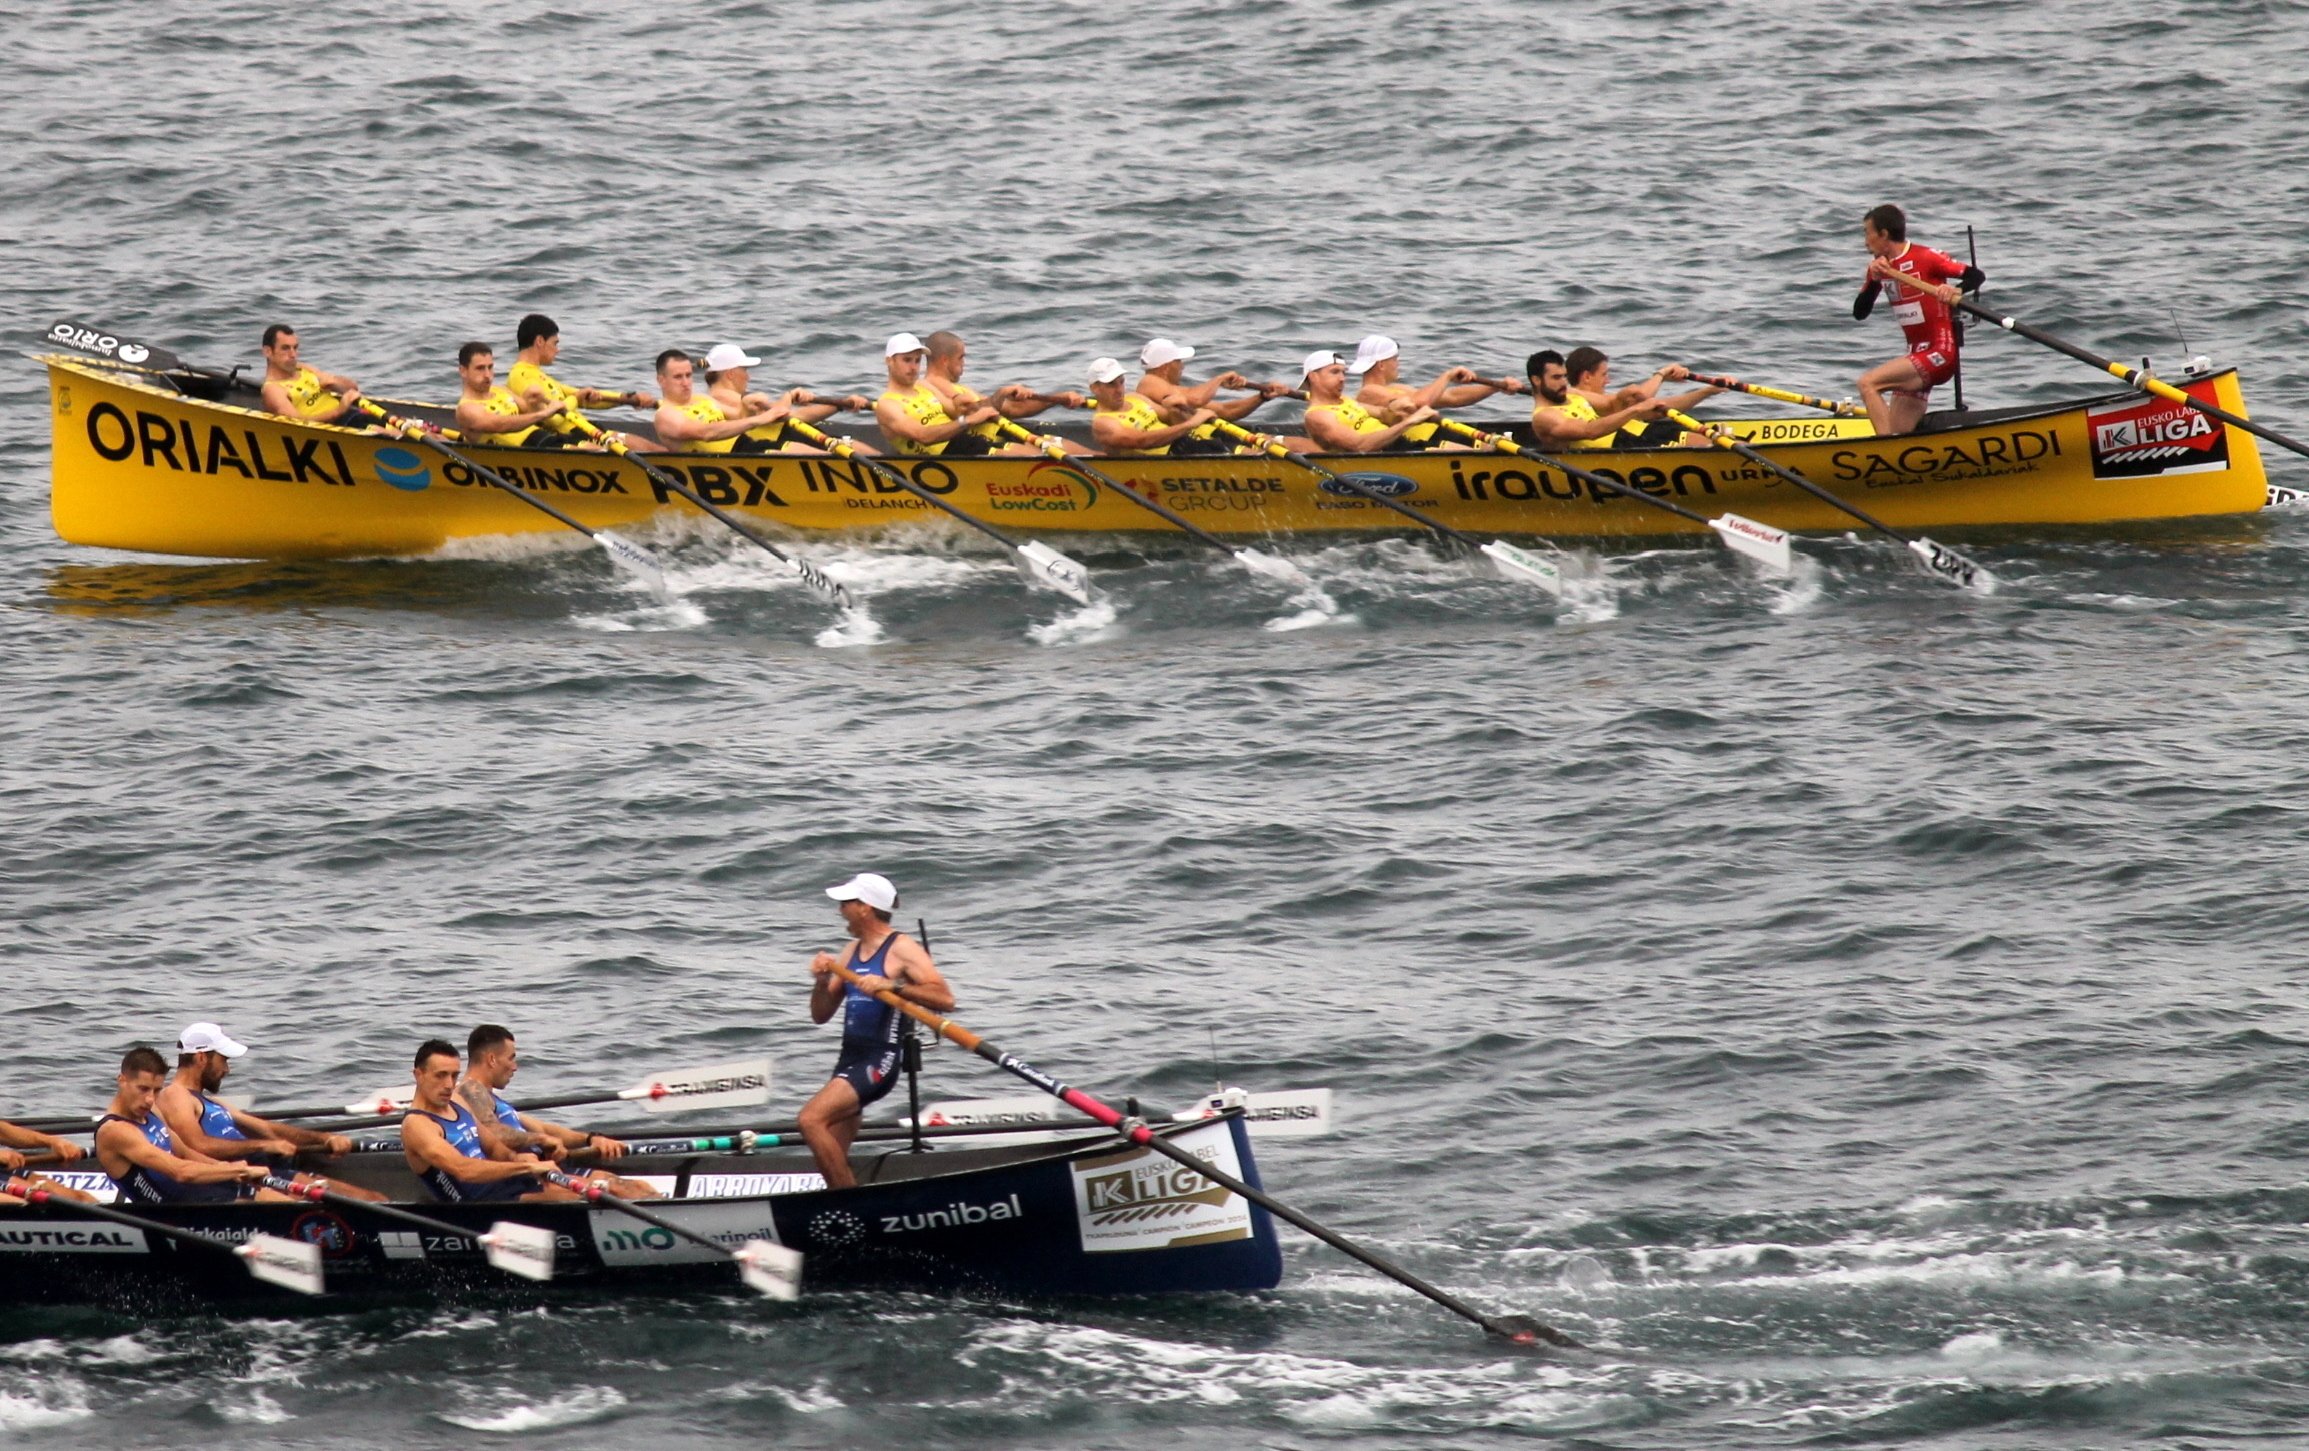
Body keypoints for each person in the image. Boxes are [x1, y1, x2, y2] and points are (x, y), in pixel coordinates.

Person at [799, 873, 955, 1191]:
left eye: (846, 903)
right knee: (832, 1161)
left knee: (810, 1120)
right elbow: (820, 1015)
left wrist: (893, 985)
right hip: (847, 1062)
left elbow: (944, 999)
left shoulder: (902, 948)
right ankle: (837, 1208)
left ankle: (850, 1211)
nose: (840, 909)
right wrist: (819, 981)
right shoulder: (849, 952)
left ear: (865, 908)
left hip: (877, 1063)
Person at [154, 1022, 385, 1202]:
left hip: (269, 1172)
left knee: (375, 1199)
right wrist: (262, 1145)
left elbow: (265, 1128)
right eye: (223, 1060)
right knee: (371, 1201)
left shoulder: (212, 1102)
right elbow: (197, 1146)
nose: (227, 1069)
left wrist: (326, 1139)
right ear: (202, 1057)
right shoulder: (175, 1095)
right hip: (241, 1181)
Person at [455, 1025, 659, 1199]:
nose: (515, 1067)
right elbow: (492, 1132)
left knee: (638, 1187)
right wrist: (543, 1140)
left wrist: (591, 1139)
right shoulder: (470, 1091)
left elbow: (543, 1127)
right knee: (619, 1189)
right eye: (511, 1058)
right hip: (528, 1178)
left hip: (548, 1169)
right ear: (491, 1059)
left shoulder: (493, 1100)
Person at [1854, 203, 1984, 437]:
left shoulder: (1925, 257)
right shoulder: (1880, 269)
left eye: (1867, 232)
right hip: (1915, 356)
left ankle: (1885, 453)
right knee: (1896, 431)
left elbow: (1976, 275)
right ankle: (1895, 454)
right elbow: (1859, 313)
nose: (1865, 241)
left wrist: (1956, 290)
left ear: (1883, 234)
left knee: (1868, 384)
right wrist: (1874, 280)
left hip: (1940, 353)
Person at [94, 1047, 281, 1204]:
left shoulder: (151, 1111)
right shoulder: (115, 1131)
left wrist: (231, 1171)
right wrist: (239, 1169)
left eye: (157, 1090)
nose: (150, 1099)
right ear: (122, 1080)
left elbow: (184, 1153)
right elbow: (181, 1172)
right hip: (176, 1216)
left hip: (197, 1195)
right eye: (143, 1089)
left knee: (275, 1193)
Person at [401, 1039, 574, 1203]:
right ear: (419, 1075)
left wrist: (518, 1159)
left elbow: (493, 1147)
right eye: (441, 1075)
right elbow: (463, 1170)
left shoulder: (456, 1101)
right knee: (575, 1197)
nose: (449, 1084)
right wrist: (528, 1168)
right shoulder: (416, 1125)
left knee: (596, 1183)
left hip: (505, 1184)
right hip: (481, 1206)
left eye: (454, 1076)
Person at [506, 313, 660, 449]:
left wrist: (626, 399)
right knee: (648, 450)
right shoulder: (520, 376)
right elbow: (551, 418)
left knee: (652, 448)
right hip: (570, 436)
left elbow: (583, 397)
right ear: (540, 341)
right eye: (555, 343)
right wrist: (576, 399)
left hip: (586, 428)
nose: (558, 349)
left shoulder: (539, 375)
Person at [921, 331, 1088, 455]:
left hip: (1006, 433)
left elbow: (1012, 410)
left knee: (1084, 453)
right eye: (961, 358)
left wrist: (1057, 399)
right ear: (945, 360)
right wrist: (1002, 393)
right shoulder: (933, 385)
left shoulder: (960, 389)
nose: (964, 363)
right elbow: (970, 411)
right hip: (987, 444)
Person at [1349, 334, 1524, 448]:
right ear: (1381, 364)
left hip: (1443, 433)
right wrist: (1447, 376)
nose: (1398, 364)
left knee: (1505, 442)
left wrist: (1494, 387)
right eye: (1395, 359)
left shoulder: (1395, 389)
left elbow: (1452, 397)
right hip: (1428, 443)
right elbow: (1419, 403)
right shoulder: (1368, 393)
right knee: (1500, 446)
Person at [700, 343, 872, 456]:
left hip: (791, 435)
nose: (748, 377)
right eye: (744, 370)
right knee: (855, 451)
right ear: (730, 373)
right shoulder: (724, 399)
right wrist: (789, 396)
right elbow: (782, 413)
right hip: (780, 444)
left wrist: (839, 404)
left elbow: (797, 416)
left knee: (858, 448)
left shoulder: (733, 398)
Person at [1135, 338, 1289, 456]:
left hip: (1208, 435)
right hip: (1187, 447)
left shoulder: (1172, 389)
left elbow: (1225, 411)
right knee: (1266, 452)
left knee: (1278, 443)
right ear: (1166, 366)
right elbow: (1196, 400)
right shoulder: (1149, 383)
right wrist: (1220, 379)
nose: (1182, 366)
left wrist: (1262, 397)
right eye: (1179, 362)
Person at [874, 333, 1009, 457]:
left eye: (917, 361)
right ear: (889, 361)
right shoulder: (887, 404)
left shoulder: (923, 385)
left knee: (1023, 447)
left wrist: (968, 404)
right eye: (907, 360)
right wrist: (968, 420)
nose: (913, 367)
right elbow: (923, 436)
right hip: (945, 456)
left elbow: (955, 411)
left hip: (964, 442)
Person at [1560, 346, 1725, 447]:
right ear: (1587, 377)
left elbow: (1659, 408)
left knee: (1718, 438)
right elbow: (1640, 397)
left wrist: (1707, 391)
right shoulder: (1573, 396)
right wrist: (1661, 374)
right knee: (1711, 442)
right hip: (1633, 444)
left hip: (1648, 436)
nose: (1608, 380)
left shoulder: (1604, 401)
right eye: (1604, 375)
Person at [1299, 350, 1445, 454]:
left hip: (1402, 445)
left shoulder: (1345, 401)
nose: (1342, 378)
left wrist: (1399, 410)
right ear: (1313, 377)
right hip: (1385, 457)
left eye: (1343, 372)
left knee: (1464, 449)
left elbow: (1383, 414)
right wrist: (1410, 422)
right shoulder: (1317, 416)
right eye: (1334, 372)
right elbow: (1360, 446)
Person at [651, 349, 792, 454]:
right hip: (728, 459)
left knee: (807, 451)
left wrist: (747, 406)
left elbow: (739, 418)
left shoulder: (702, 398)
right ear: (661, 380)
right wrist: (759, 419)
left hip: (746, 445)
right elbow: (706, 433)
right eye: (678, 377)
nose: (686, 382)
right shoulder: (665, 415)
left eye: (688, 375)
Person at [1525, 350, 1669, 452]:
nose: (1564, 383)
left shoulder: (1573, 395)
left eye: (1564, 376)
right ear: (1536, 380)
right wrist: (1637, 409)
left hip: (1631, 439)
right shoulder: (1544, 416)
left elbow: (1612, 405)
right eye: (1556, 378)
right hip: (1617, 450)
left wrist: (1627, 395)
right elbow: (1589, 431)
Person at [452, 342, 588, 449]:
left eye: (490, 367)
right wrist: (544, 413)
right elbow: (501, 425)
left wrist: (535, 401)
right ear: (463, 371)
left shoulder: (501, 391)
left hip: (544, 439)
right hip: (527, 451)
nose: (488, 375)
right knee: (586, 450)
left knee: (596, 441)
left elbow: (530, 412)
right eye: (480, 368)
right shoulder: (467, 409)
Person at [1086, 357, 1219, 456]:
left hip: (1184, 445)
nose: (1119, 390)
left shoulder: (1135, 398)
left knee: (1224, 443)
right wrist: (1191, 423)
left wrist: (1173, 408)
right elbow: (1142, 442)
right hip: (1166, 461)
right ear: (1095, 388)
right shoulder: (1103, 423)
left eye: (1121, 382)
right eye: (1111, 384)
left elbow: (1170, 419)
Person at [257, 324, 363, 424]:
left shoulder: (304, 368)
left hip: (353, 415)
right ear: (268, 352)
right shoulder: (273, 389)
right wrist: (338, 411)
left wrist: (334, 381)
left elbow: (353, 388)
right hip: (332, 426)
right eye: (285, 348)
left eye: (295, 348)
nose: (293, 354)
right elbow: (297, 422)